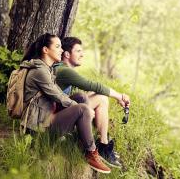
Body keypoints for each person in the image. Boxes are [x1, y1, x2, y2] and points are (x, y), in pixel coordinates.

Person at [20, 33, 111, 174]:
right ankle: (91, 152)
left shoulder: (46, 69)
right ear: (45, 50)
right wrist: (84, 109)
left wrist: (80, 104)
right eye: (57, 46)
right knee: (82, 109)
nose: (61, 50)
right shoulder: (40, 72)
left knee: (81, 97)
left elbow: (60, 95)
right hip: (38, 128)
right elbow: (59, 96)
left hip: (46, 115)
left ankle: (83, 141)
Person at [53, 37, 131, 168]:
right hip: (56, 120)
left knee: (98, 97)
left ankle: (103, 143)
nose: (82, 54)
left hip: (61, 112)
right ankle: (103, 145)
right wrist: (119, 96)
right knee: (101, 97)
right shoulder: (64, 71)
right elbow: (91, 85)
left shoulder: (61, 69)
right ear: (66, 54)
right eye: (78, 51)